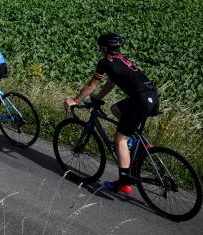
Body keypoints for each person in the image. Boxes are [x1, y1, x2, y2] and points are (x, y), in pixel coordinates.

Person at [64, 32, 159, 194]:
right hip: (152, 97)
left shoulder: (105, 62)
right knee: (115, 109)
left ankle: (123, 181)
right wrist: (98, 98)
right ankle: (139, 144)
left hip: (140, 101)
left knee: (120, 138)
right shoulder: (123, 60)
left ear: (103, 48)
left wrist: (75, 100)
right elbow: (112, 82)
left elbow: (92, 84)